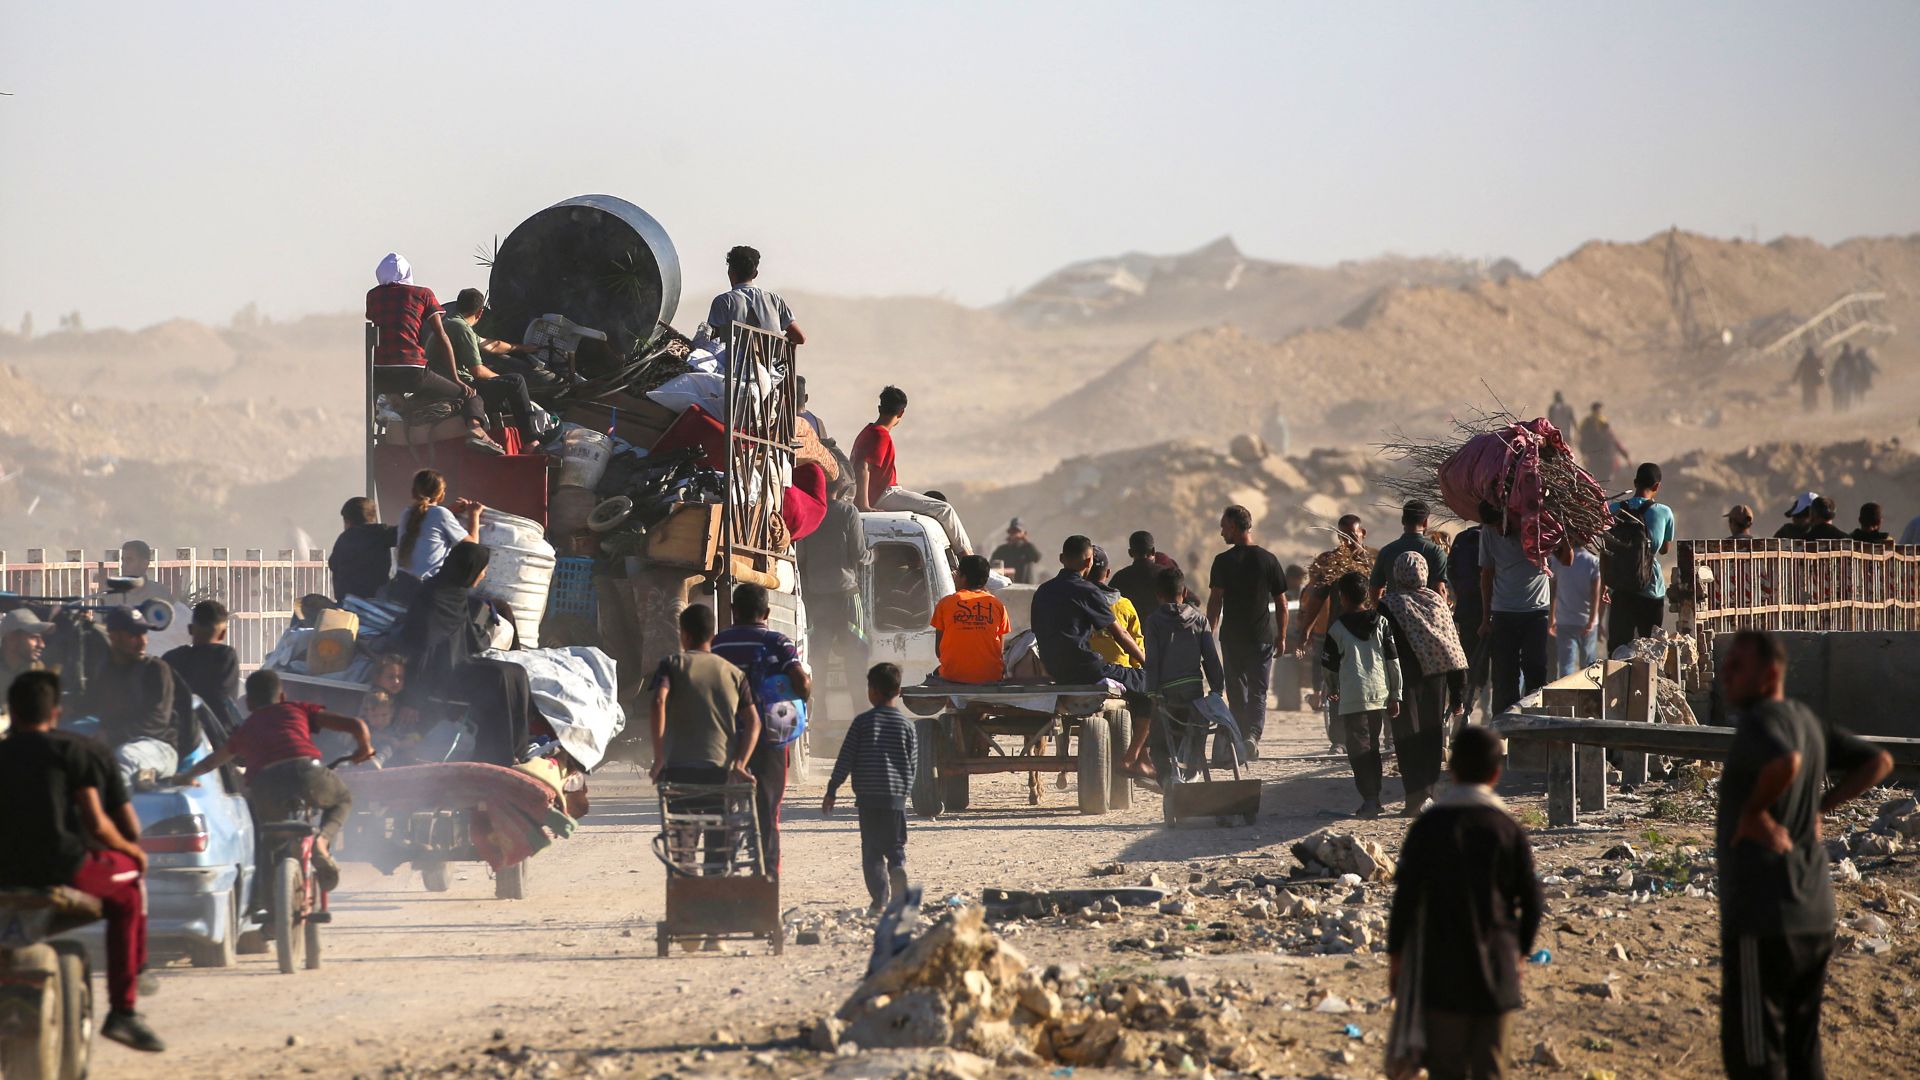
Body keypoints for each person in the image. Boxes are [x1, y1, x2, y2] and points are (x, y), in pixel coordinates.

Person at [1714, 629, 1891, 1079]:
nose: (1724, 674)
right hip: (1813, 915)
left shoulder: (1761, 722)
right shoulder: (1807, 720)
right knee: (1802, 1052)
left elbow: (1786, 762)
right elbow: (1879, 762)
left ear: (1769, 674)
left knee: (1757, 1059)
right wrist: (1820, 805)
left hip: (1764, 918)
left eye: (1737, 666)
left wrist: (1754, 811)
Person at [0, 670, 165, 1052]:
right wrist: (133, 852)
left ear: (13, 711)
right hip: (62, 870)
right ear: (56, 712)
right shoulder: (75, 751)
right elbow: (97, 821)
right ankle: (124, 1008)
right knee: (130, 890)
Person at [1386, 725, 1543, 1080]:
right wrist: (1519, 954)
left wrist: (1396, 960)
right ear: (1496, 773)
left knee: (1446, 1069)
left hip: (1442, 973)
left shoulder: (1427, 829)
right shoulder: (1507, 829)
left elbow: (1405, 902)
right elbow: (1532, 903)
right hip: (1497, 970)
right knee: (1490, 1068)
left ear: (1452, 769)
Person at [170, 669, 373, 897]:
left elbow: (212, 761)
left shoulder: (246, 729)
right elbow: (357, 726)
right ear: (283, 696)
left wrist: (186, 776)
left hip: (265, 784)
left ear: (248, 703)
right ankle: (322, 843)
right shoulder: (297, 708)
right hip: (306, 771)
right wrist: (364, 749)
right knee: (342, 799)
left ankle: (270, 909)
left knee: (270, 842)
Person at [393, 542, 539, 766]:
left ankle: (518, 748)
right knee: (498, 677)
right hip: (439, 676)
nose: (484, 574)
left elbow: (470, 639)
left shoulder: (456, 594)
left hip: (458, 664)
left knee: (516, 671)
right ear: (469, 568)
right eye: (482, 569)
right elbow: (420, 648)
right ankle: (495, 755)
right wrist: (412, 699)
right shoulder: (432, 597)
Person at [647, 606, 759, 882]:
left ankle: (687, 896)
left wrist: (660, 756)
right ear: (712, 634)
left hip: (679, 770)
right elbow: (754, 721)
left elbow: (659, 700)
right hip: (719, 773)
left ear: (683, 635)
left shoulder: (672, 665)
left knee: (682, 841)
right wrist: (740, 763)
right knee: (719, 839)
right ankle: (714, 895)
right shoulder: (734, 674)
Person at [713, 584, 811, 878]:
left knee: (723, 812)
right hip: (769, 740)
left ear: (733, 611)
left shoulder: (717, 645)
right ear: (766, 613)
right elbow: (802, 684)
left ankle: (720, 876)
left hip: (728, 741)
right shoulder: (778, 643)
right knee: (768, 813)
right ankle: (766, 881)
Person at [365, 253, 503, 455]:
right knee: (472, 396)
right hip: (413, 372)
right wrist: (457, 380)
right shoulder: (423, 294)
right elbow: (442, 336)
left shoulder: (372, 296)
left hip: (380, 375)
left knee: (398, 403)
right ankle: (476, 430)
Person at [822, 663, 916, 915]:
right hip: (895, 798)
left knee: (872, 850)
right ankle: (898, 867)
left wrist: (832, 790)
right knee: (895, 844)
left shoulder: (862, 723)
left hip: (868, 798)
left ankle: (879, 900)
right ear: (898, 690)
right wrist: (906, 793)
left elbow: (846, 759)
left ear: (872, 691)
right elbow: (912, 764)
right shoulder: (907, 726)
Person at [1378, 553, 1468, 815]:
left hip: (1402, 682)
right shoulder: (1437, 603)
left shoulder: (1388, 605)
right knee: (1431, 737)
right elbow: (1451, 649)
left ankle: (1414, 799)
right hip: (1435, 680)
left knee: (1406, 738)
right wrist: (1458, 693)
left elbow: (1380, 649)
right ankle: (1427, 795)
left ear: (1397, 573)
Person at [1207, 505, 1288, 763]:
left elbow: (1215, 600)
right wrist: (1282, 635)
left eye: (1224, 527)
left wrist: (1210, 630)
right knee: (1258, 691)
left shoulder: (1223, 561)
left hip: (1232, 639)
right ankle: (1252, 737)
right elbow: (1282, 603)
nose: (1221, 532)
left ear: (1234, 526)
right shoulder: (1268, 559)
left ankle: (1242, 738)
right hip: (1261, 637)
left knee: (1237, 692)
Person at [850, 386, 974, 555]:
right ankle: (969, 559)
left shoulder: (867, 431)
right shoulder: (880, 435)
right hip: (884, 495)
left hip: (878, 494)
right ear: (901, 413)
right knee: (944, 510)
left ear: (880, 408)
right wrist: (864, 505)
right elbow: (863, 467)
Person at [1133, 567, 1224, 783]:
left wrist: (1152, 691)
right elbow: (1211, 657)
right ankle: (1192, 773)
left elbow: (1153, 660)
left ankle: (1167, 780)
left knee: (1159, 738)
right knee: (1194, 731)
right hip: (1193, 689)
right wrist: (1217, 688)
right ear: (1183, 593)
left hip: (1166, 691)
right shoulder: (1200, 620)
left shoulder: (1154, 621)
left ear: (1158, 596)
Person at [1322, 572, 1401, 819]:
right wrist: (1396, 694)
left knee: (1358, 749)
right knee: (1374, 746)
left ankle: (1370, 798)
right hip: (1379, 693)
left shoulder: (1336, 629)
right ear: (1367, 595)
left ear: (1342, 598)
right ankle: (1373, 796)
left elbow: (1329, 667)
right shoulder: (1382, 623)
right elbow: (1393, 661)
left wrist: (1332, 688)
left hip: (1353, 696)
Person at [1296, 514, 1375, 751]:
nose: (1347, 541)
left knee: (1367, 686)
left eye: (1351, 535)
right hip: (1337, 633)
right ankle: (1339, 739)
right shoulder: (1332, 563)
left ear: (1363, 533)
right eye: (1342, 536)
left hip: (1367, 634)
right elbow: (1317, 599)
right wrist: (1305, 631)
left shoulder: (1373, 561)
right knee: (1336, 688)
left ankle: (1367, 736)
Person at [1031, 535, 1147, 691]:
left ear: (1061, 558)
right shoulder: (1087, 591)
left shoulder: (1042, 591)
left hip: (1054, 670)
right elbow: (1121, 634)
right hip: (1085, 670)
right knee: (1143, 679)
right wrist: (1147, 664)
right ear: (1088, 562)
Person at [80, 606, 178, 781]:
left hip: (158, 747)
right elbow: (86, 705)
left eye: (144, 634)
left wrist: (112, 736)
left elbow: (157, 720)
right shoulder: (105, 672)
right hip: (114, 745)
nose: (143, 642)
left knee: (126, 757)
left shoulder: (155, 669)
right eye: (134, 636)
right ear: (114, 637)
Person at [797, 473, 870, 692]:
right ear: (841, 488)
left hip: (817, 597)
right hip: (846, 595)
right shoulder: (848, 512)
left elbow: (800, 557)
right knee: (855, 658)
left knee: (817, 661)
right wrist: (873, 556)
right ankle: (859, 713)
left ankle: (819, 716)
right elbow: (859, 554)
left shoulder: (809, 511)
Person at [443, 288, 544, 446]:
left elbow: (491, 345)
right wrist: (501, 379)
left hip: (444, 384)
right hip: (460, 387)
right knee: (516, 381)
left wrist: (521, 348)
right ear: (480, 312)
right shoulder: (462, 329)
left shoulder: (450, 323)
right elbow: (477, 371)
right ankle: (531, 442)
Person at [1478, 506, 1551, 715]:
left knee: (1535, 668)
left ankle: (1535, 720)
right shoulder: (1488, 532)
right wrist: (1485, 618)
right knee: (1503, 675)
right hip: (1503, 612)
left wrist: (1561, 536)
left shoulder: (1539, 527)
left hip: (1536, 612)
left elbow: (1567, 558)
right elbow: (1487, 575)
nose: (1497, 530)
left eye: (1499, 524)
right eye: (1492, 526)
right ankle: (1503, 727)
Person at [1605, 463, 1676, 653]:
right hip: (1650, 589)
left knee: (1618, 650)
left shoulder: (1613, 509)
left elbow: (1606, 547)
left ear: (1635, 482)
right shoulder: (1664, 512)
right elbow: (1664, 550)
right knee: (1651, 649)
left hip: (1620, 589)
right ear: (1657, 486)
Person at [394, 469, 483, 596]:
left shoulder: (407, 513)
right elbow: (472, 545)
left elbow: (427, 522)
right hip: (426, 587)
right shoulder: (441, 514)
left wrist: (449, 511)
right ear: (441, 494)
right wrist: (474, 514)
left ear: (413, 491)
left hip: (401, 583)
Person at [931, 555, 1009, 684]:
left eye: (957, 574)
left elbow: (939, 651)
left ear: (963, 577)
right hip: (991, 677)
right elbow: (999, 651)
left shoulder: (945, 604)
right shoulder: (997, 605)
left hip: (952, 677)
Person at [707, 246, 806, 347]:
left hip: (736, 362)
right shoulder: (774, 299)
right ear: (755, 274)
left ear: (730, 273)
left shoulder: (723, 301)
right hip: (772, 362)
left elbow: (713, 341)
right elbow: (799, 337)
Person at [162, 600, 241, 725]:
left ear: (190, 629)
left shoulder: (171, 658)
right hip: (216, 735)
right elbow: (225, 704)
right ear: (223, 634)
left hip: (176, 733)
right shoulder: (225, 656)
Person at [1447, 523, 1490, 720]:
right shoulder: (1502, 536)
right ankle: (1493, 718)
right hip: (1501, 612)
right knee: (1502, 672)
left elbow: (1452, 574)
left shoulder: (1464, 538)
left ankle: (1465, 714)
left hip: (1468, 612)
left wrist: (1459, 599)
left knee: (1472, 667)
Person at [1371, 499, 1449, 602]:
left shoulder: (1387, 551)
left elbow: (1375, 590)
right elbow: (1439, 589)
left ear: (1403, 520)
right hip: (1426, 615)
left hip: (1393, 613)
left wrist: (1383, 612)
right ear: (1425, 522)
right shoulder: (1436, 552)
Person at [1548, 538, 1603, 678]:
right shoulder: (1592, 561)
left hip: (1564, 620)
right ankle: (1589, 697)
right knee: (1589, 666)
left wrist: (1552, 617)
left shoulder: (1558, 561)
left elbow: (1553, 591)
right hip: (1587, 622)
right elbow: (1595, 594)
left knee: (1566, 665)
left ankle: (1566, 697)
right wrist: (1592, 620)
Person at [330, 496, 398, 603]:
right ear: (373, 517)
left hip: (346, 601)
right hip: (375, 600)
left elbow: (333, 564)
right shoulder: (381, 533)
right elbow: (405, 534)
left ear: (348, 521)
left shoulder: (343, 539)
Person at [1087, 546, 1143, 673]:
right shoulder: (1124, 605)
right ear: (1107, 573)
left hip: (1086, 673)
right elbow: (1136, 642)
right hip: (1121, 674)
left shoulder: (1076, 602)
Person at [1110, 532, 1180, 619]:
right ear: (1153, 551)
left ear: (1130, 553)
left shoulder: (1119, 578)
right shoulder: (1167, 575)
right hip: (1164, 631)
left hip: (1130, 632)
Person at [0, 606, 53, 690]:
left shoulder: (38, 673)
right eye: (33, 637)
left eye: (41, 638)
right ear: (11, 639)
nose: (42, 645)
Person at [1577, 403, 1629, 486]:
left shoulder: (1600, 424)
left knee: (1598, 479)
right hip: (1597, 458)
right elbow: (1582, 441)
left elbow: (1582, 442)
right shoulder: (1589, 423)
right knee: (1598, 479)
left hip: (1601, 459)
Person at [989, 519, 1043, 585]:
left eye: (1017, 531)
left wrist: (1025, 541)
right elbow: (992, 565)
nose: (1015, 534)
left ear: (1024, 534)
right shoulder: (1002, 550)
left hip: (1025, 586)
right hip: (1007, 587)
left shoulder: (1027, 549)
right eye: (1012, 532)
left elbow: (1036, 558)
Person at [1792, 345, 1825, 412]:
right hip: (1813, 380)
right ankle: (1814, 407)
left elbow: (1798, 370)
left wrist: (1794, 379)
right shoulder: (1815, 359)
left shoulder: (1804, 359)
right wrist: (1821, 378)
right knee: (1813, 394)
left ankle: (1807, 408)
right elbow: (1821, 370)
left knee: (1806, 394)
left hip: (1806, 380)